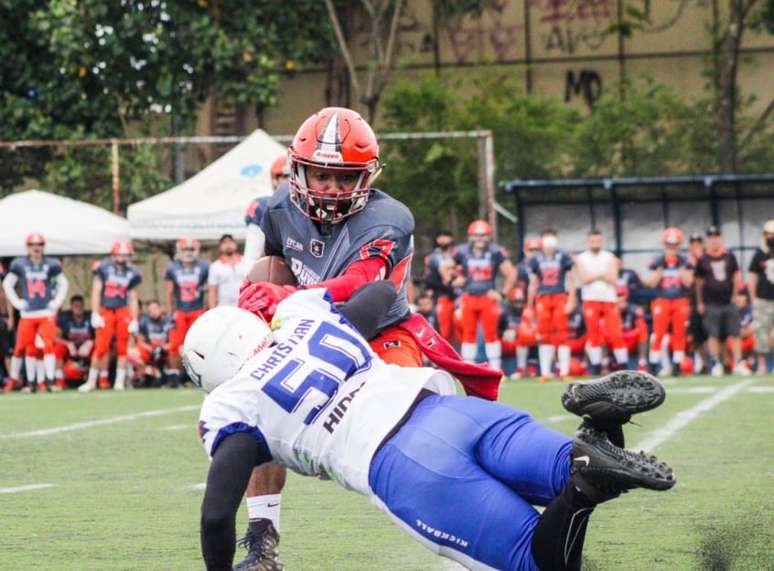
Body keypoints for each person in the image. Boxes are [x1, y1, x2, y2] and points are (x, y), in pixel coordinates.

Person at [186, 282, 675, 571]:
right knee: (570, 466)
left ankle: (585, 485)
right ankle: (600, 425)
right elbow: (382, 293)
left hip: (404, 465)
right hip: (449, 410)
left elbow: (214, 517)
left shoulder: (232, 403)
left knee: (538, 559)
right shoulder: (299, 315)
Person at [234, 107, 502, 570]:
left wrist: (285, 295)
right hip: (310, 332)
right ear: (300, 172)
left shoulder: (389, 217)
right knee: (258, 409)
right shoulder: (277, 210)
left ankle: (481, 529)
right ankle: (262, 541)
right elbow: (278, 261)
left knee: (412, 438)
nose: (333, 189)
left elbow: (360, 285)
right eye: (322, 176)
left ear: (367, 177)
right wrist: (263, 299)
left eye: (346, 178)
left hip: (379, 330)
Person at [2, 233, 68, 392]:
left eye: (39, 244)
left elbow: (63, 283)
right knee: (23, 347)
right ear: (27, 247)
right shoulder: (20, 264)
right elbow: (7, 284)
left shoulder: (51, 264)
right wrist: (17, 302)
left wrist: (56, 303)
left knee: (48, 346)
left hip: (45, 311)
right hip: (28, 313)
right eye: (33, 245)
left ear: (43, 246)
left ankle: (50, 379)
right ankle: (26, 381)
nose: (36, 248)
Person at [453, 219, 516, 370]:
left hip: (487, 296)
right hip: (468, 296)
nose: (479, 239)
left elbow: (511, 273)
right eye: (476, 235)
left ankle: (495, 369)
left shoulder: (495, 252)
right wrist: (456, 277)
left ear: (488, 236)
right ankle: (468, 368)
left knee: (491, 334)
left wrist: (503, 294)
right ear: (470, 236)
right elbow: (447, 266)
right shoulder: (462, 251)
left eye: (483, 235)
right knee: (468, 333)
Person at [80, 240, 142, 392]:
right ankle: (91, 381)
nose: (123, 258)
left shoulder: (133, 272)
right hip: (106, 309)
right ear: (113, 255)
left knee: (122, 348)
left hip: (122, 310)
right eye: (120, 254)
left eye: (126, 255)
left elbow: (133, 297)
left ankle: (119, 382)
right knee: (100, 347)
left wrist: (134, 319)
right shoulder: (103, 267)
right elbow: (96, 291)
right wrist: (95, 313)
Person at [694, 225, 750, 376]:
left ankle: (738, 362)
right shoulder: (703, 258)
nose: (714, 240)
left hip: (728, 301)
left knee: (735, 332)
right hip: (710, 302)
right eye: (711, 237)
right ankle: (717, 363)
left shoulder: (729, 255)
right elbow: (698, 282)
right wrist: (699, 302)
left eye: (716, 236)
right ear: (708, 239)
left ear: (720, 238)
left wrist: (736, 294)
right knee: (713, 334)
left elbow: (736, 276)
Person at [575, 230, 628, 375]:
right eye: (592, 241)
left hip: (608, 299)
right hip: (590, 299)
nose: (595, 244)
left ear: (602, 241)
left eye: (598, 241)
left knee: (615, 333)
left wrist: (594, 276)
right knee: (593, 335)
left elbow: (613, 278)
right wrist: (602, 274)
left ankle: (624, 366)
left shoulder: (609, 257)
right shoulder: (581, 258)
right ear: (588, 242)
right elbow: (583, 279)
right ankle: (596, 367)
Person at [527, 228, 576, 381]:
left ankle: (564, 372)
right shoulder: (536, 258)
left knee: (562, 334)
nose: (549, 240)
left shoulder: (563, 256)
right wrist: (529, 306)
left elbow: (570, 279)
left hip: (560, 296)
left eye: (552, 237)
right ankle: (546, 372)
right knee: (544, 334)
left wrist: (572, 299)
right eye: (547, 237)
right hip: (543, 297)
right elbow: (533, 282)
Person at [645, 228, 694, 376]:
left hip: (680, 299)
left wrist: (680, 267)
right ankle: (653, 365)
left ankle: (677, 364)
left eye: (674, 244)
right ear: (664, 244)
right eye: (669, 244)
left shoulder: (685, 261)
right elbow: (651, 283)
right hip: (662, 299)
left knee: (679, 333)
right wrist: (660, 268)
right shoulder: (657, 260)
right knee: (658, 333)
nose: (672, 247)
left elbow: (688, 282)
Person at [165, 238, 210, 388]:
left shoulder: (204, 267)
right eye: (186, 250)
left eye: (191, 250)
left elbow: (209, 290)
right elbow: (169, 293)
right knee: (174, 344)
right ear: (180, 250)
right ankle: (174, 375)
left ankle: (200, 376)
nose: (188, 253)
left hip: (197, 310)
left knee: (199, 346)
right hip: (180, 310)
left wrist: (208, 310)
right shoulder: (172, 267)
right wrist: (170, 313)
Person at [244, 155, 290, 264]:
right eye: (286, 176)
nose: (291, 180)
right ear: (275, 180)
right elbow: (251, 259)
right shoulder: (263, 207)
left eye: (295, 175)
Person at [747, 219, 774, 374]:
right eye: (769, 234)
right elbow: (752, 278)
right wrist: (753, 299)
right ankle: (762, 365)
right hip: (763, 300)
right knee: (761, 333)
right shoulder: (759, 254)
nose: (771, 237)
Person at [422, 230, 457, 342]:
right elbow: (429, 278)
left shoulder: (458, 254)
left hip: (461, 294)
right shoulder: (432, 258)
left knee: (460, 328)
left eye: (446, 237)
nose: (443, 239)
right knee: (444, 329)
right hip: (443, 294)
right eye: (441, 237)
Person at [54, 294, 94, 390]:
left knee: (100, 349)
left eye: (80, 306)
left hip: (86, 348)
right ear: (71, 307)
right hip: (71, 349)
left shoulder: (90, 317)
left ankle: (97, 379)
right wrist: (68, 344)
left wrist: (90, 343)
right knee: (58, 348)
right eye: (76, 306)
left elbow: (100, 336)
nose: (78, 308)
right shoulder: (64, 317)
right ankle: (59, 381)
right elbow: (55, 337)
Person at [498, 288, 537, 379]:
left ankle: (528, 368)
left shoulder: (528, 312)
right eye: (516, 301)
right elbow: (498, 331)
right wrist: (505, 333)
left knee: (529, 337)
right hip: (508, 341)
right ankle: (500, 369)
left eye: (520, 301)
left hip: (523, 341)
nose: (519, 304)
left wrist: (520, 333)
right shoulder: (505, 313)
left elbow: (533, 329)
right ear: (511, 301)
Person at [135, 300, 173, 386]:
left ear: (161, 308)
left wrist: (163, 348)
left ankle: (174, 377)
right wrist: (150, 349)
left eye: (155, 308)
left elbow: (174, 341)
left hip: (165, 350)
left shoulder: (169, 321)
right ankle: (152, 373)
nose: (153, 312)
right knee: (134, 354)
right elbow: (140, 341)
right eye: (150, 310)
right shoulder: (144, 321)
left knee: (177, 350)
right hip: (151, 350)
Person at [612, 286, 649, 371]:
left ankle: (642, 363)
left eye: (622, 295)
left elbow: (641, 327)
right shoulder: (610, 311)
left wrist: (628, 335)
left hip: (631, 339)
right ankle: (605, 364)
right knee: (601, 336)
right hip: (617, 340)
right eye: (618, 295)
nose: (620, 298)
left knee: (643, 332)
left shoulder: (635, 310)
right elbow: (606, 329)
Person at [208, 234, 247, 308]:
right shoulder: (215, 266)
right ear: (220, 247)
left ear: (235, 244)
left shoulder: (246, 261)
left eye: (230, 241)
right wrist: (212, 311)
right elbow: (212, 292)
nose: (228, 244)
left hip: (245, 307)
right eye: (224, 242)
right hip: (224, 308)